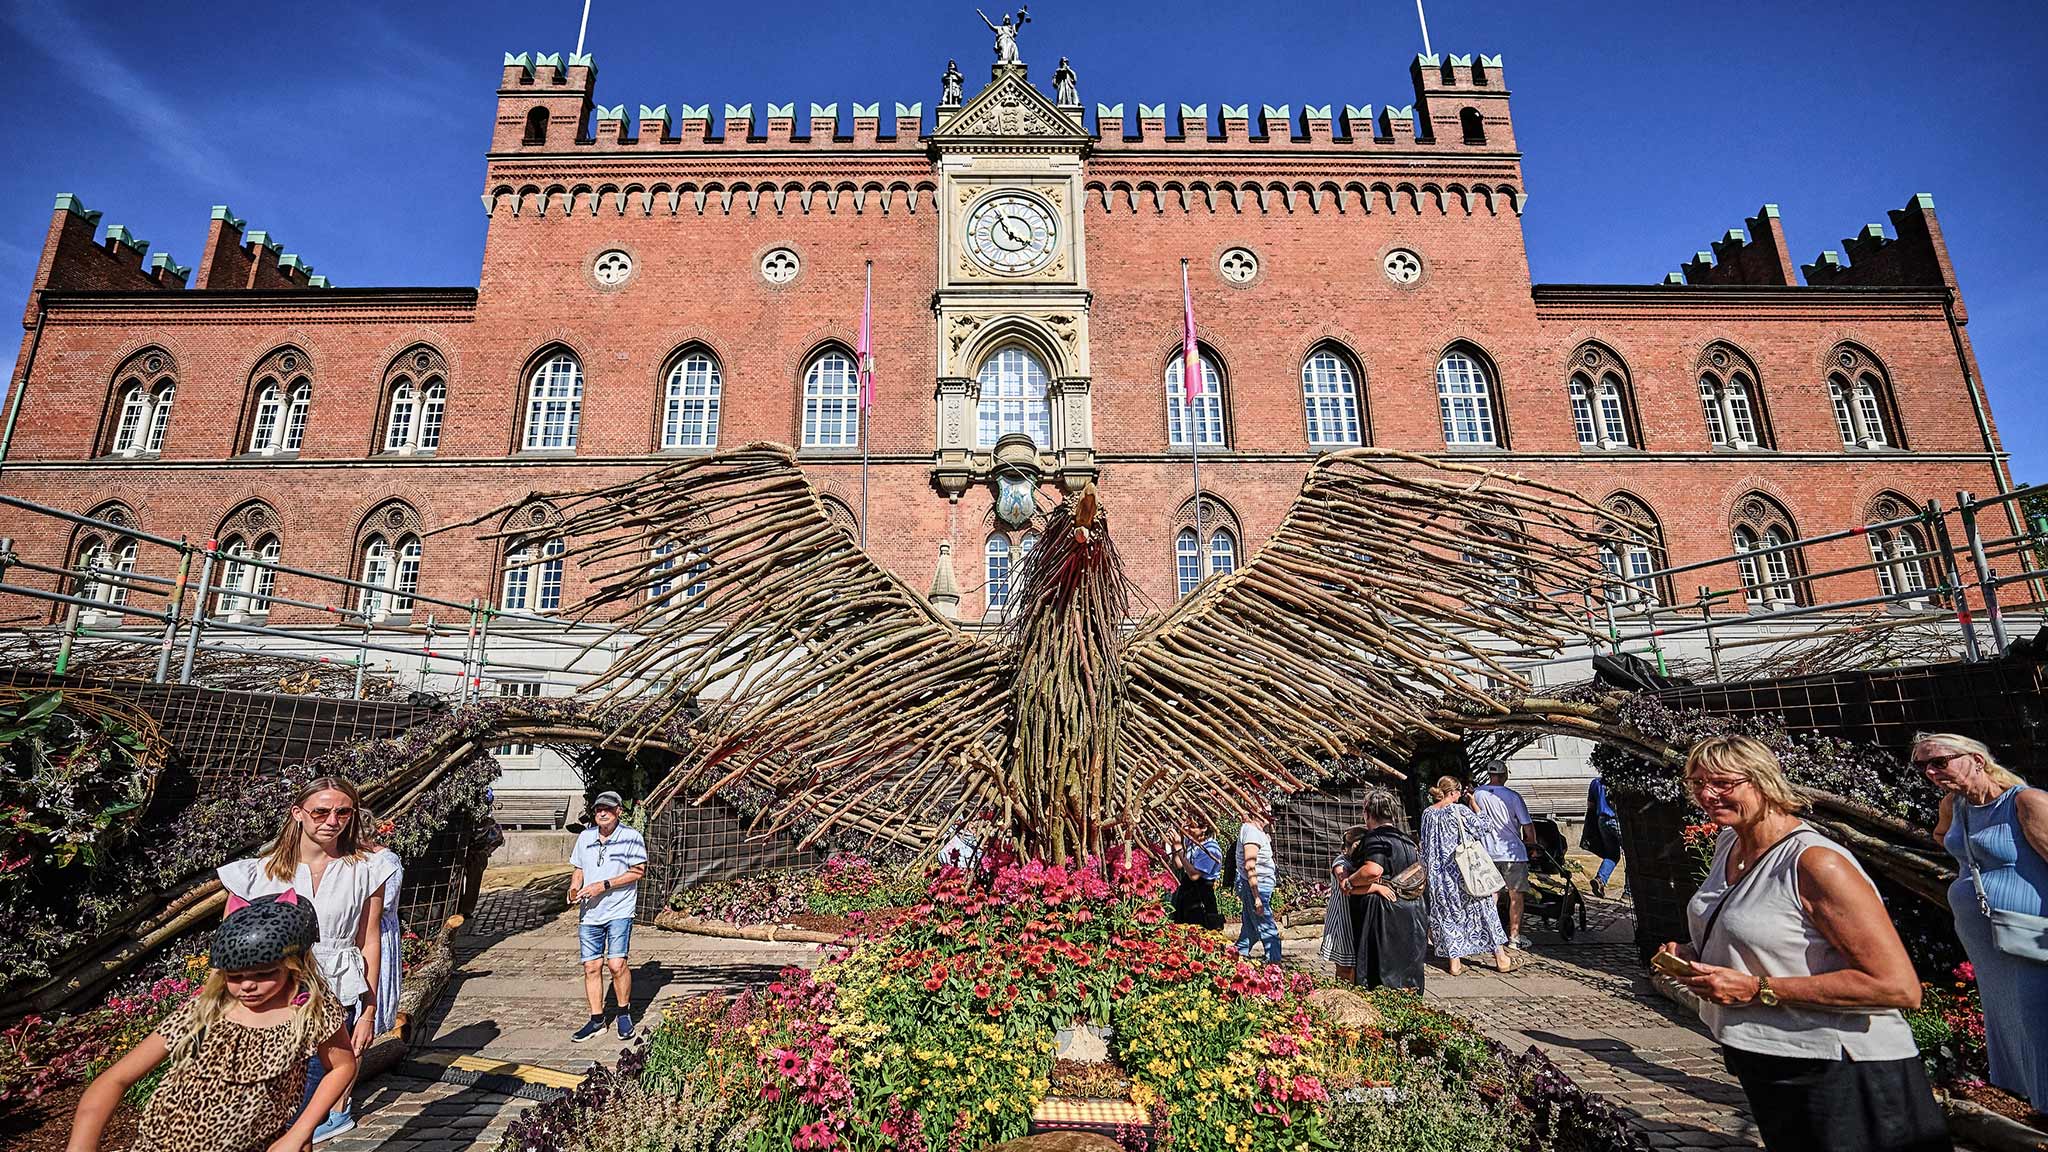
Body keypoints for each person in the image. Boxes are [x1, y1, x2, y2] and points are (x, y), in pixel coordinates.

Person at [1661, 735, 1946, 1152]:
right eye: (1698, 783)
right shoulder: (1731, 842)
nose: (1706, 794)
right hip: (1766, 1056)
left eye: (1723, 783)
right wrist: (1693, 956)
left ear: (1763, 781)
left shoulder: (1815, 862)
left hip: (1841, 1068)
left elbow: (1896, 987)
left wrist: (1758, 989)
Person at [70, 891, 354, 1152]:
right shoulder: (204, 1012)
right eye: (235, 976)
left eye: (262, 974)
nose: (247, 986)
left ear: (295, 965)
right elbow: (114, 1080)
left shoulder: (309, 1010)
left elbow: (342, 1066)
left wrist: (299, 1133)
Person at [218, 776, 394, 1143]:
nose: (333, 820)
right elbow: (231, 948)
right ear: (298, 813)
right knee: (264, 1110)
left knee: (307, 1113)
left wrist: (369, 1010)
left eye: (343, 812)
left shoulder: (367, 869)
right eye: (321, 811)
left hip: (337, 995)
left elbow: (369, 940)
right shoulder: (258, 873)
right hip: (272, 999)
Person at [1918, 732, 2047, 1116]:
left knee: (2038, 1014)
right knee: (2011, 1018)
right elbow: (1944, 837)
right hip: (1987, 938)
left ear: (1975, 758)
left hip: (2032, 929)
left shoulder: (2026, 802)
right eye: (1922, 765)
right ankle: (2037, 1105)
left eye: (1939, 761)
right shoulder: (1953, 805)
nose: (1930, 771)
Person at [569, 791, 647, 1042]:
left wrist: (604, 885)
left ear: (618, 811)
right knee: (591, 966)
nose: (602, 813)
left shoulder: (631, 837)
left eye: (608, 808)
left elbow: (637, 872)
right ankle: (596, 1020)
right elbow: (578, 869)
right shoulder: (585, 837)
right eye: (598, 809)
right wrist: (572, 890)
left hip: (619, 910)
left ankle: (623, 1014)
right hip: (590, 913)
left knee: (616, 964)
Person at [1419, 775, 1513, 975]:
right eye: (1459, 791)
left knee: (1447, 915)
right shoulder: (1459, 810)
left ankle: (1455, 962)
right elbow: (1484, 826)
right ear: (1453, 793)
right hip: (1464, 873)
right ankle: (1501, 958)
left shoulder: (1427, 814)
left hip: (1440, 877)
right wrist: (1474, 804)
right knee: (1483, 910)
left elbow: (1425, 846)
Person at [1343, 788, 1427, 991]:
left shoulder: (1375, 838)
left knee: (1382, 973)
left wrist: (1350, 881)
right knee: (1406, 970)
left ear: (1367, 813)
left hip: (1383, 915)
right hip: (1412, 910)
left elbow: (1373, 870)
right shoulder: (1407, 840)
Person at [1474, 761, 1535, 947]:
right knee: (1516, 895)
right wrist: (1532, 845)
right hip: (1512, 852)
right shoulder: (1513, 797)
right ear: (1504, 775)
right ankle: (1514, 937)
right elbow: (1527, 825)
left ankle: (1489, 935)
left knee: (1492, 894)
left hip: (1488, 851)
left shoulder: (1478, 794)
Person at [1233, 801, 1282, 964]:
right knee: (1268, 929)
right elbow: (1250, 865)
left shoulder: (1256, 831)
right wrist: (1257, 897)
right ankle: (1274, 964)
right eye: (1266, 810)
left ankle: (1237, 955)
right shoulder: (1252, 832)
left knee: (1251, 928)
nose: (1270, 813)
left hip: (1260, 885)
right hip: (1256, 886)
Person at [1319, 825, 1368, 981]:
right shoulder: (1340, 862)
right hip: (1342, 918)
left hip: (1355, 917)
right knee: (1344, 966)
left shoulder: (1362, 862)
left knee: (1356, 965)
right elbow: (1344, 881)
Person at [1169, 813, 1224, 929]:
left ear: (1204, 828)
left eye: (1192, 827)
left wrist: (1179, 848)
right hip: (1187, 893)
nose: (1188, 829)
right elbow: (1179, 864)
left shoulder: (1211, 849)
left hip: (1201, 896)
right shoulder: (1192, 843)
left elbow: (1194, 875)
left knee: (1200, 930)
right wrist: (1175, 846)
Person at [1581, 775, 1624, 899]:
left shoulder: (1595, 782)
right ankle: (1628, 892)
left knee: (1612, 854)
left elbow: (1590, 806)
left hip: (1602, 821)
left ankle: (1600, 879)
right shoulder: (1619, 780)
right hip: (1618, 820)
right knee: (1631, 858)